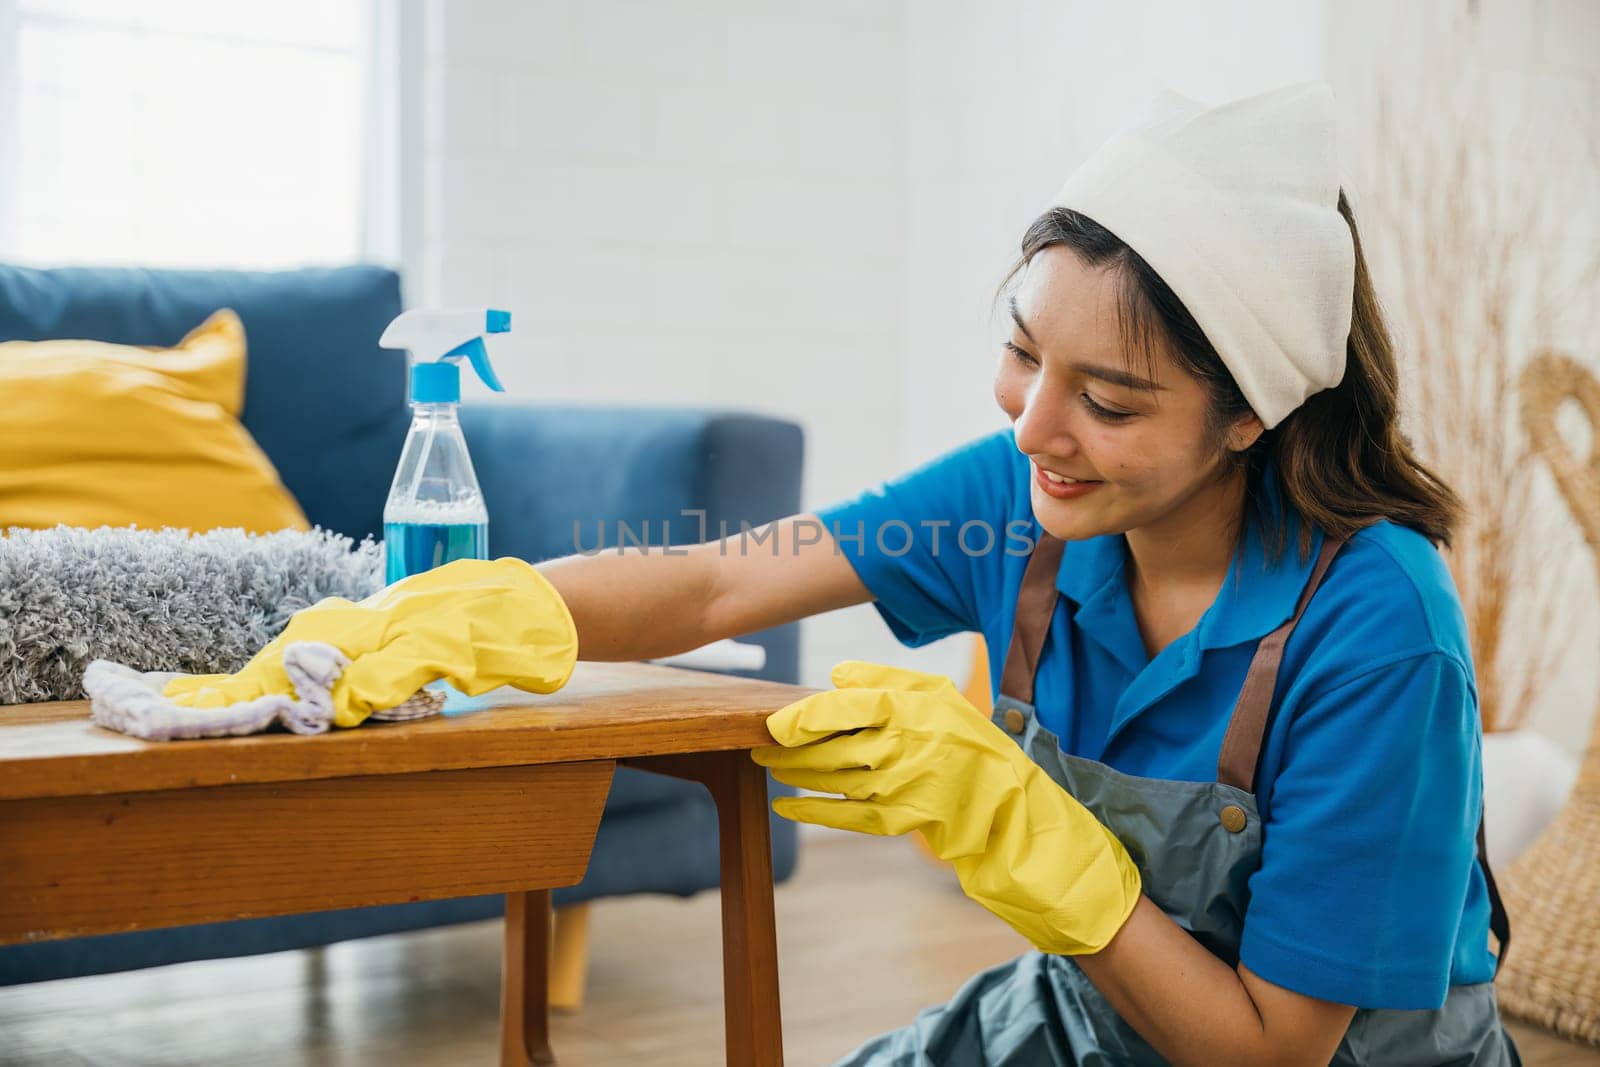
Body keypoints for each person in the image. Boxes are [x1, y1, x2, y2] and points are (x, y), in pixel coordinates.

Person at [179, 82, 1518, 1065]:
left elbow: (1267, 1048)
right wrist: (497, 608)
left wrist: (1037, 843)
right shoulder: (1028, 503)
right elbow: (716, 588)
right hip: (1084, 1031)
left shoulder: (1376, 626)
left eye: (1108, 399)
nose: (1033, 427)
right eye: (1022, 352)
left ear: (1253, 418)